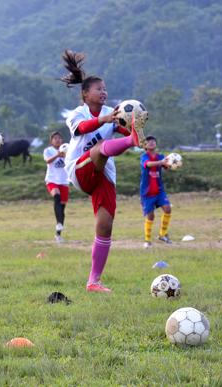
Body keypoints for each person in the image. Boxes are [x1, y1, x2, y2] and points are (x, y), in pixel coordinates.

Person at [60, 49, 146, 293]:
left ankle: (93, 282)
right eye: (99, 89)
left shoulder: (113, 114)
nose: (104, 92)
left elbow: (123, 131)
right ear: (85, 94)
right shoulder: (78, 113)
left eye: (105, 88)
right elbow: (82, 129)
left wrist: (134, 126)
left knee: (106, 225)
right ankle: (132, 143)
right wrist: (108, 121)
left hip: (104, 176)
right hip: (79, 169)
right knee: (99, 149)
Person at [140, 135, 173, 248]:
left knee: (168, 209)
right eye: (148, 142)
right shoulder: (144, 157)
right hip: (147, 192)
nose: (151, 143)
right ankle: (147, 240)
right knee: (151, 216)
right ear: (145, 145)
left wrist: (171, 163)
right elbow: (148, 164)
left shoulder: (161, 156)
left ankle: (162, 235)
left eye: (153, 141)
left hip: (159, 191)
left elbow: (167, 166)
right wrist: (161, 162)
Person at [43, 131, 70, 243]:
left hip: (64, 181)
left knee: (62, 209)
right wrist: (57, 155)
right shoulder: (48, 151)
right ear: (51, 141)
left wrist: (66, 156)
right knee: (56, 196)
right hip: (52, 180)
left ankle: (58, 235)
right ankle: (58, 223)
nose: (58, 140)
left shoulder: (67, 150)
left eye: (59, 138)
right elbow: (48, 161)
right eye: (55, 138)